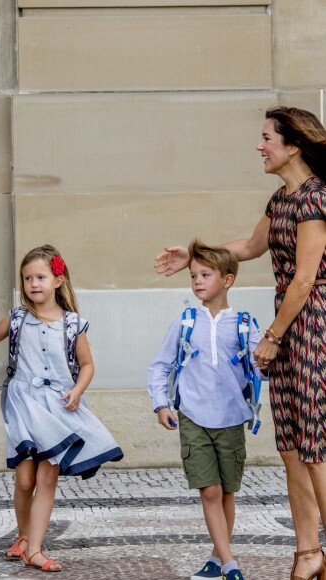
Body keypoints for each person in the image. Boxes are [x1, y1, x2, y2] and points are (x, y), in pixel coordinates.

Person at [154, 106, 326, 580]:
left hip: (310, 326)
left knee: (315, 447)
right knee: (291, 446)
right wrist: (194, 254)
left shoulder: (314, 199)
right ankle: (307, 553)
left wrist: (272, 336)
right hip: (290, 327)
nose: (260, 145)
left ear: (293, 145)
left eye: (267, 137)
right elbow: (248, 248)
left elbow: (306, 279)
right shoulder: (281, 201)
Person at [0, 244, 123, 572]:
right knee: (25, 480)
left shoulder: (73, 324)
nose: (33, 284)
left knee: (46, 478)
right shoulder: (17, 318)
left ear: (57, 280)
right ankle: (23, 536)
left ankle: (34, 549)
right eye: (27, 278)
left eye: (40, 277)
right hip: (23, 406)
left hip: (57, 410)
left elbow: (87, 365)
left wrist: (78, 390)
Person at [148, 239, 264, 580]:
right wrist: (160, 404)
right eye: (194, 275)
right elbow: (159, 365)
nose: (197, 281)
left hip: (231, 418)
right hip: (193, 417)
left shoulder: (243, 324)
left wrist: (271, 360)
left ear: (227, 280)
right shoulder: (186, 321)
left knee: (227, 492)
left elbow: (261, 368)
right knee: (209, 490)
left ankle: (217, 556)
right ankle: (230, 564)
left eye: (205, 274)